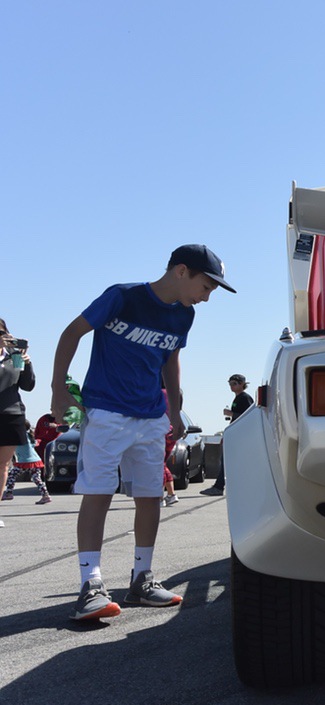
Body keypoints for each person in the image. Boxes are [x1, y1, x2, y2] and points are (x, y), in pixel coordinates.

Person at [50, 244, 236, 621]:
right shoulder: (122, 297)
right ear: (181, 271)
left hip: (151, 417)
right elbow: (72, 333)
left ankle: (142, 579)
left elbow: (171, 360)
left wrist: (175, 408)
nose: (207, 297)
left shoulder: (183, 316)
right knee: (99, 493)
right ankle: (91, 585)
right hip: (105, 410)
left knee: (150, 496)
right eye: (206, 286)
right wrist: (57, 389)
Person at [1, 319, 37, 529]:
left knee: (3, 465)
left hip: (11, 413)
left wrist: (27, 362)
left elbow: (28, 385)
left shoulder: (14, 358)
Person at [201, 373, 252, 496]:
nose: (231, 386)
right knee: (228, 461)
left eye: (234, 384)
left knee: (228, 461)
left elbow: (249, 416)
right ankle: (225, 486)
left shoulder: (245, 398)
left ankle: (219, 487)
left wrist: (230, 413)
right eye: (230, 384)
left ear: (242, 384)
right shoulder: (238, 398)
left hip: (240, 436)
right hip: (235, 434)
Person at [4, 421, 52, 505]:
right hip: (33, 460)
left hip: (26, 461)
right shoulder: (28, 435)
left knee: (12, 475)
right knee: (36, 478)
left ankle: (9, 493)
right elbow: (34, 444)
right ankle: (45, 495)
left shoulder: (20, 436)